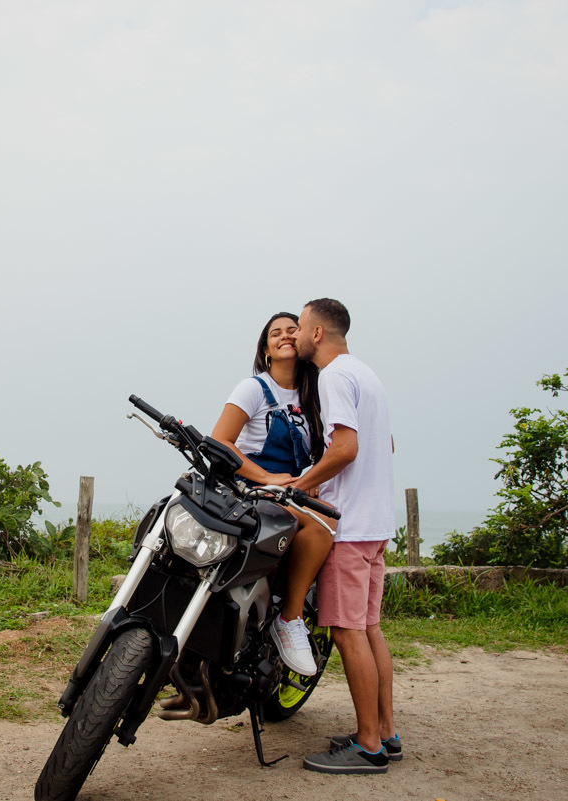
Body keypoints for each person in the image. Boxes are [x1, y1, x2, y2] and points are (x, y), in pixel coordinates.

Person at [291, 297, 401, 775]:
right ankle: (386, 733)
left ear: (317, 333)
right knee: (370, 628)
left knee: (348, 631)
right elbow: (386, 444)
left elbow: (346, 448)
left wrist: (302, 484)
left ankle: (369, 746)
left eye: (298, 327)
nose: (294, 336)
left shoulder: (333, 375)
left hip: (350, 526)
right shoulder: (366, 374)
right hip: (376, 525)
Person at [208, 311, 333, 676]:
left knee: (325, 523)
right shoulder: (254, 388)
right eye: (275, 333)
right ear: (265, 350)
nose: (285, 336)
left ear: (306, 340)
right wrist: (265, 477)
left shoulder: (318, 396)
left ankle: (288, 617)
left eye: (293, 330)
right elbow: (221, 442)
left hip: (289, 492)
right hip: (248, 486)